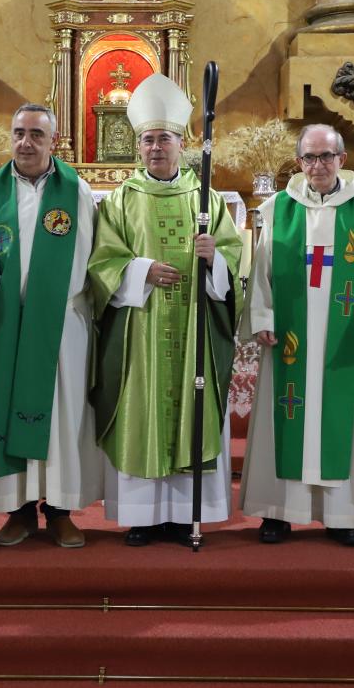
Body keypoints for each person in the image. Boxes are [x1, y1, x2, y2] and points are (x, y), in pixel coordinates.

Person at [87, 74, 243, 547]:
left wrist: (216, 256)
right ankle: (144, 515)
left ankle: (183, 514)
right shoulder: (118, 202)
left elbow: (236, 261)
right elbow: (101, 263)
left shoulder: (209, 200)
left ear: (183, 143)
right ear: (138, 146)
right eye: (149, 139)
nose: (157, 148)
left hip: (194, 327)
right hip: (142, 330)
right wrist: (139, 271)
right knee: (144, 409)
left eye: (166, 139)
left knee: (191, 410)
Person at [238, 124, 354, 546]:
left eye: (326, 156)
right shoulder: (277, 209)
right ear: (299, 162)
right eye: (309, 157)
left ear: (342, 161)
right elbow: (262, 271)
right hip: (291, 339)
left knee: (342, 421)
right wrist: (264, 317)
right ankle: (279, 512)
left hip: (344, 339)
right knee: (285, 417)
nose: (317, 165)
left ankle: (344, 514)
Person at [0, 104, 102, 548]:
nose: (25, 143)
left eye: (36, 135)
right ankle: (20, 511)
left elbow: (90, 257)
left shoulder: (77, 191)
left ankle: (61, 510)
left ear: (54, 140)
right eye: (18, 133)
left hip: (60, 326)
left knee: (62, 417)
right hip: (4, 322)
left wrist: (61, 308)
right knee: (5, 409)